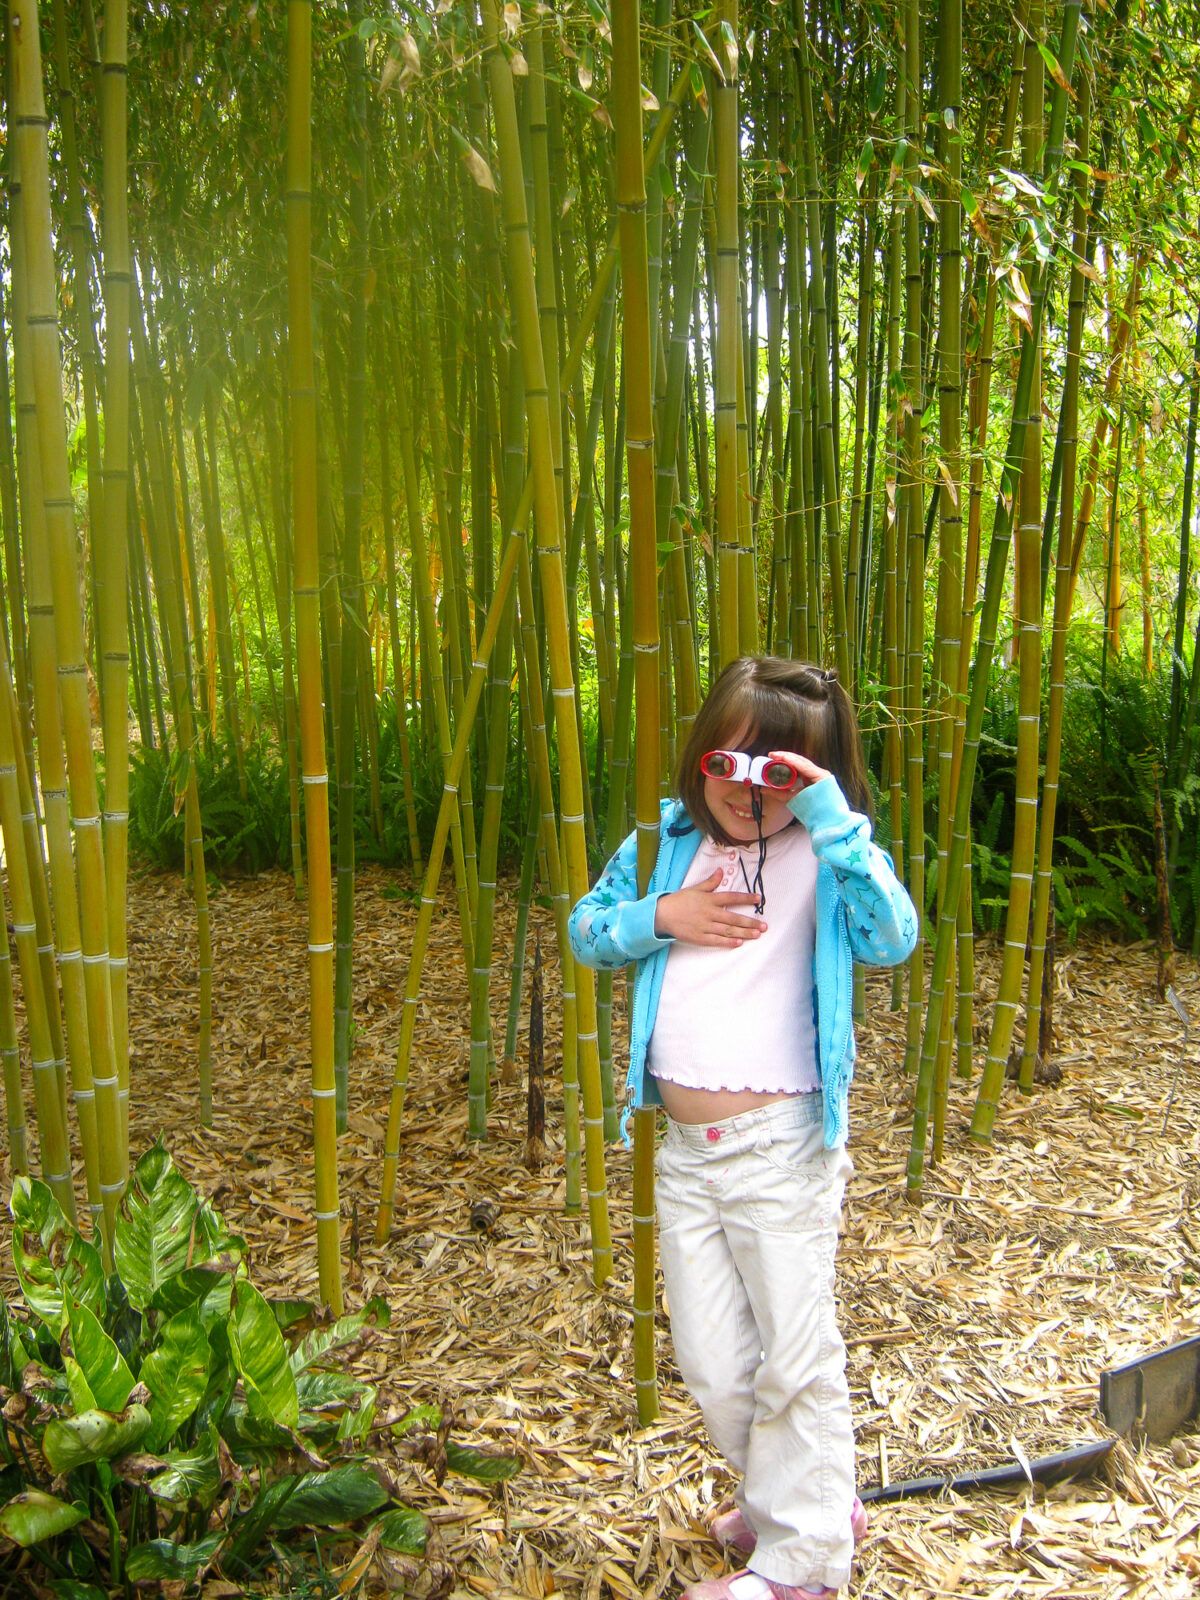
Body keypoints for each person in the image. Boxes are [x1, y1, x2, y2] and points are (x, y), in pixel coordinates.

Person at [568, 657, 918, 1600]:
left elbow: (893, 936)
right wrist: (662, 916)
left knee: (795, 1359)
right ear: (699, 757)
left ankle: (801, 1567)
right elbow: (586, 931)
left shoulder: (831, 854)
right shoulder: (666, 844)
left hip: (784, 1149)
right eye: (728, 763)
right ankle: (803, 1495)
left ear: (818, 777)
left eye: (781, 775)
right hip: (686, 1157)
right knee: (716, 1363)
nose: (745, 791)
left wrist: (836, 824)